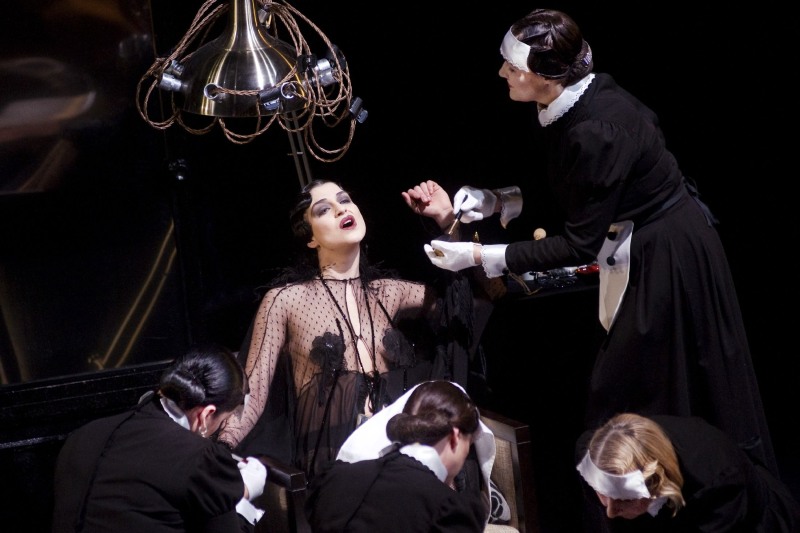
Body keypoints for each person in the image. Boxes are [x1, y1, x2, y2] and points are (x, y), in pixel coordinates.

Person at [402, 8, 778, 477]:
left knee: (657, 385)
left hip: (670, 256)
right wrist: (499, 200)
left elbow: (581, 242)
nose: (502, 73)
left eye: (512, 67)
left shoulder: (597, 129)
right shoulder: (570, 103)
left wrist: (480, 255)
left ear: (545, 77)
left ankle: (675, 485)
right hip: (645, 243)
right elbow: (580, 186)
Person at [218, 179, 501, 480]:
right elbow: (252, 395)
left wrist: (447, 220)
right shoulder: (286, 301)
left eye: (345, 200)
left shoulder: (390, 293)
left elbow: (477, 301)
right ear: (310, 238)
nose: (341, 209)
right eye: (324, 209)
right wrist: (217, 453)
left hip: (399, 459)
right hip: (335, 470)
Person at [52, 343, 267, 533]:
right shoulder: (201, 458)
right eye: (223, 420)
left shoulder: (81, 436)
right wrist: (242, 502)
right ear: (206, 414)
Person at [306, 380, 490, 532]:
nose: (466, 454)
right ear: (455, 438)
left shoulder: (335, 478)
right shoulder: (449, 511)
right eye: (468, 444)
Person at [575, 412, 800, 532]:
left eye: (624, 500)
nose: (610, 512)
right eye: (603, 493)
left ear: (657, 485)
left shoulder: (720, 481)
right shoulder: (591, 453)